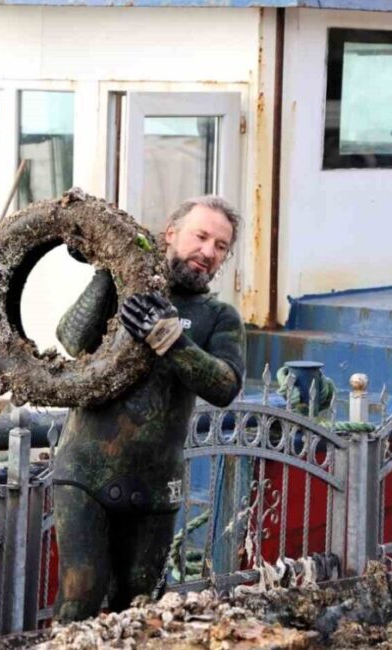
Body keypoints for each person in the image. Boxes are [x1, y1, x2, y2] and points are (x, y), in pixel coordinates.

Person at [51, 196, 246, 621]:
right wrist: (109, 267)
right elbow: (71, 339)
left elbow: (226, 385)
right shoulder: (123, 283)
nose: (208, 252)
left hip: (157, 486)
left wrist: (172, 340)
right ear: (171, 233)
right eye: (201, 236)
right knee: (79, 594)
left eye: (220, 246)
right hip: (84, 470)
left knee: (140, 607)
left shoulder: (219, 316)